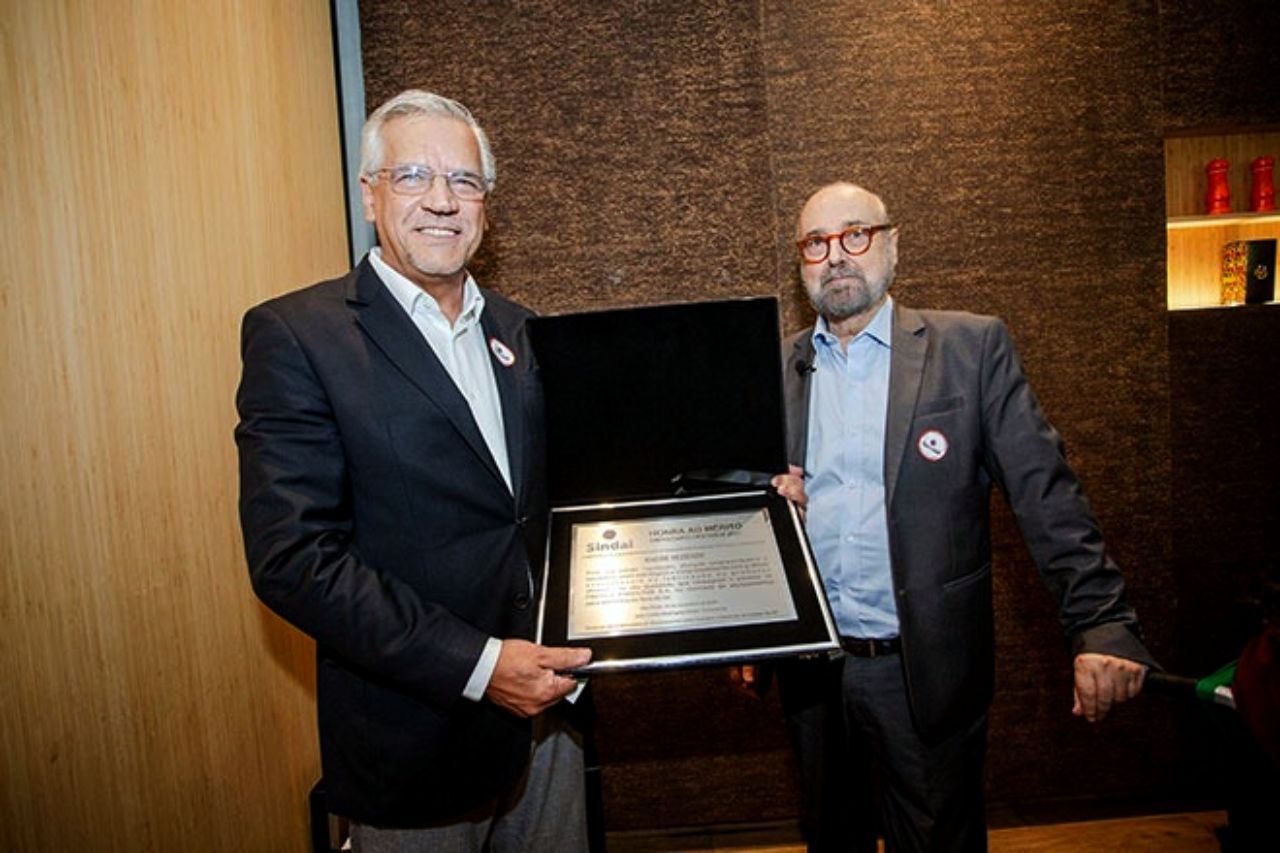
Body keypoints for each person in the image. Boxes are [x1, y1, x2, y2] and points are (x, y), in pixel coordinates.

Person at [750, 182, 1156, 852]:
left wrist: (1101, 621)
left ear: (892, 244)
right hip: (815, 671)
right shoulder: (777, 367)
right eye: (816, 244)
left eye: (855, 235)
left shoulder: (971, 349)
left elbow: (1046, 493)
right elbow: (754, 504)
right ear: (800, 264)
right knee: (832, 837)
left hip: (925, 671)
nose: (836, 258)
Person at [235, 89, 591, 852]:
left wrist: (744, 490)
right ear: (370, 194)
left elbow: (563, 503)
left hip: (550, 726)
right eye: (412, 176)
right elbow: (293, 559)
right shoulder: (298, 336)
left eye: (463, 181)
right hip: (412, 746)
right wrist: (481, 665)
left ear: (486, 207)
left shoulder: (524, 331)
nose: (441, 200)